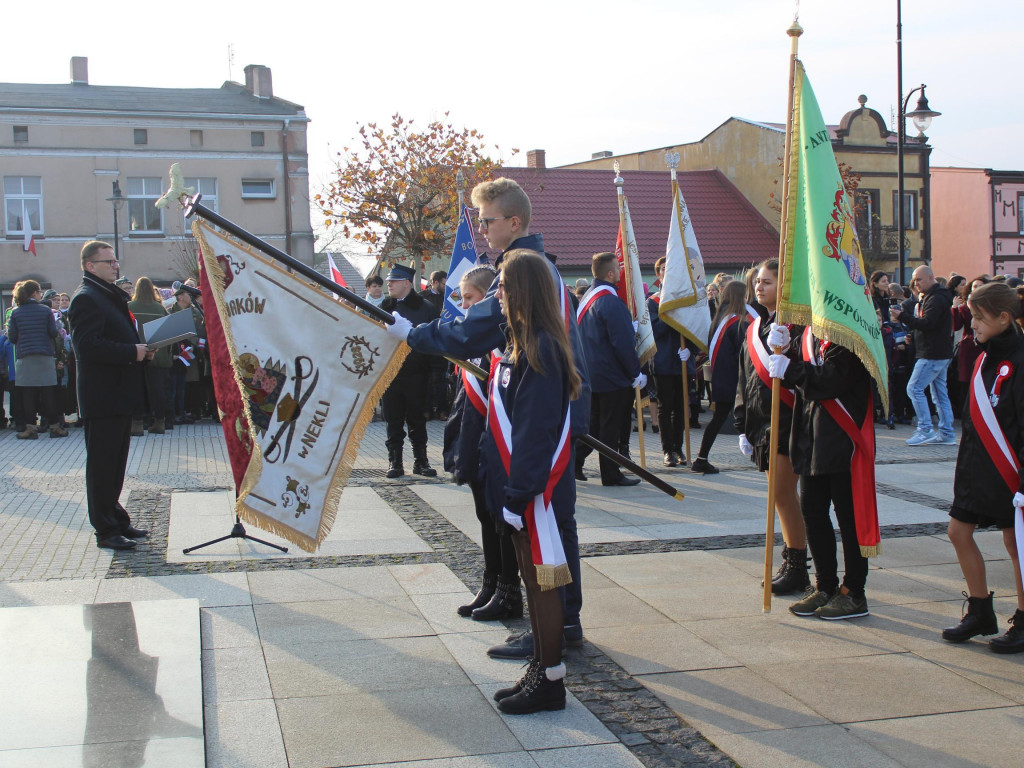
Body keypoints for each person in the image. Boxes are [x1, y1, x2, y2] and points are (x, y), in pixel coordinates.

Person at [386, 176, 590, 658]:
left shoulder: (524, 269)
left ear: (513, 222)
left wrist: (410, 333)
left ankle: (557, 628)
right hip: (545, 419)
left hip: (543, 423)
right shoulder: (527, 265)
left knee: (547, 530)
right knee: (550, 528)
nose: (482, 230)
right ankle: (559, 621)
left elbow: (470, 333)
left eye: (488, 221)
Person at [486, 249, 581, 714]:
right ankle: (543, 670)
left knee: (543, 581)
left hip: (535, 492)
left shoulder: (541, 346)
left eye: (502, 285)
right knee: (532, 578)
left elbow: (535, 430)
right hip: (524, 488)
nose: (497, 294)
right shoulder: (523, 342)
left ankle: (550, 679)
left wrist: (518, 494)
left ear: (522, 290)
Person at [768, 321, 877, 620]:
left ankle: (853, 592)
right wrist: (786, 353)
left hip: (843, 440)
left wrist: (790, 369)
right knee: (814, 514)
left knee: (849, 519)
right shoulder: (812, 333)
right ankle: (825, 586)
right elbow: (806, 376)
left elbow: (834, 378)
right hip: (813, 436)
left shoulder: (850, 332)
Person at [940, 282, 1024, 652]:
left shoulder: (1021, 359)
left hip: (1010, 470)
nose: (971, 324)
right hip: (976, 465)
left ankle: (1023, 618)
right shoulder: (982, 355)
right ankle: (980, 611)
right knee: (958, 532)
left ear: (1004, 318)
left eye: (978, 317)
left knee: (1015, 542)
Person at [443, 265, 523, 621]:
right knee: (483, 515)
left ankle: (509, 590)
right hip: (474, 439)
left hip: (496, 444)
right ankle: (490, 582)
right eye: (462, 299)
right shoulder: (475, 343)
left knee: (499, 519)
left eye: (471, 298)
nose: (465, 306)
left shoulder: (498, 342)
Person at [69, 241, 152, 550]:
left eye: (115, 261)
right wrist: (133, 351)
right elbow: (87, 346)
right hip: (103, 397)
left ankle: (116, 518)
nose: (116, 265)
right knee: (102, 465)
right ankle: (105, 530)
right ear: (90, 266)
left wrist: (143, 350)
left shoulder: (106, 295)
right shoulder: (86, 299)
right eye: (108, 262)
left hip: (117, 393)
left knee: (115, 463)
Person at [734, 258, 810, 594]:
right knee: (779, 495)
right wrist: (741, 424)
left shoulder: (797, 329)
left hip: (788, 420)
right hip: (762, 422)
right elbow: (745, 378)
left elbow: (805, 375)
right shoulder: (755, 328)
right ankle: (795, 560)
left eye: (767, 281)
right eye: (757, 282)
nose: (758, 287)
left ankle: (796, 564)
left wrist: (788, 350)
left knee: (782, 494)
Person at [574, 252, 644, 486]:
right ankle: (610, 474)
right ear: (610, 273)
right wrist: (636, 371)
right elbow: (622, 343)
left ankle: (574, 462)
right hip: (611, 375)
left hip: (590, 373)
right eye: (618, 268)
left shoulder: (588, 298)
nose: (622, 272)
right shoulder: (611, 301)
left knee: (593, 427)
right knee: (609, 428)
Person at [380, 263, 439, 478]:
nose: (389, 285)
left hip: (417, 374)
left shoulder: (426, 308)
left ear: (407, 283)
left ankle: (420, 460)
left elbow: (434, 341)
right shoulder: (383, 307)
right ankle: (394, 461)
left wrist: (436, 375)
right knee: (393, 419)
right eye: (388, 281)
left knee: (417, 419)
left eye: (393, 281)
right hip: (389, 374)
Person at [890, 266, 956, 446]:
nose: (915, 284)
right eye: (914, 280)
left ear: (930, 278)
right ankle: (947, 432)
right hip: (937, 351)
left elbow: (928, 323)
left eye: (919, 279)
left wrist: (902, 316)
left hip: (932, 353)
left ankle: (925, 428)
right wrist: (915, 337)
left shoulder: (936, 298)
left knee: (914, 388)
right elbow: (930, 325)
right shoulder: (935, 296)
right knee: (939, 393)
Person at [693, 280, 745, 474]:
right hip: (733, 379)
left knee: (719, 418)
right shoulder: (737, 323)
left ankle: (702, 458)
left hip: (721, 377)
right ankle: (701, 458)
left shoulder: (721, 318)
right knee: (720, 418)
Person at [7, 280, 66, 439]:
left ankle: (30, 428)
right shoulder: (45, 310)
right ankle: (55, 427)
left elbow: (12, 337)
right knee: (49, 394)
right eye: (40, 292)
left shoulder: (15, 312)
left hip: (25, 357)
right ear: (34, 293)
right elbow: (53, 333)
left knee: (28, 395)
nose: (41, 295)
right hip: (45, 356)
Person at [647, 257, 688, 467]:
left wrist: (691, 348)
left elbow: (694, 327)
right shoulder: (653, 302)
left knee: (681, 407)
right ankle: (667, 450)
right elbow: (656, 331)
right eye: (664, 269)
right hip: (663, 361)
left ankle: (679, 447)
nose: (668, 272)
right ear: (658, 275)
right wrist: (670, 314)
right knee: (665, 406)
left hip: (682, 360)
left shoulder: (685, 299)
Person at [128, 277, 173, 435]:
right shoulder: (159, 308)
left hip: (135, 353)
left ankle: (137, 424)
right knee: (158, 390)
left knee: (136, 389)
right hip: (157, 355)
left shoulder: (129, 307)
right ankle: (160, 422)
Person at [950, 275, 990, 420]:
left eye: (980, 286)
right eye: (974, 287)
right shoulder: (965, 308)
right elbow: (957, 326)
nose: (977, 289)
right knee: (966, 382)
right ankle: (966, 414)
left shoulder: (990, 308)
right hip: (968, 348)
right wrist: (955, 309)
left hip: (984, 347)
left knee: (983, 380)